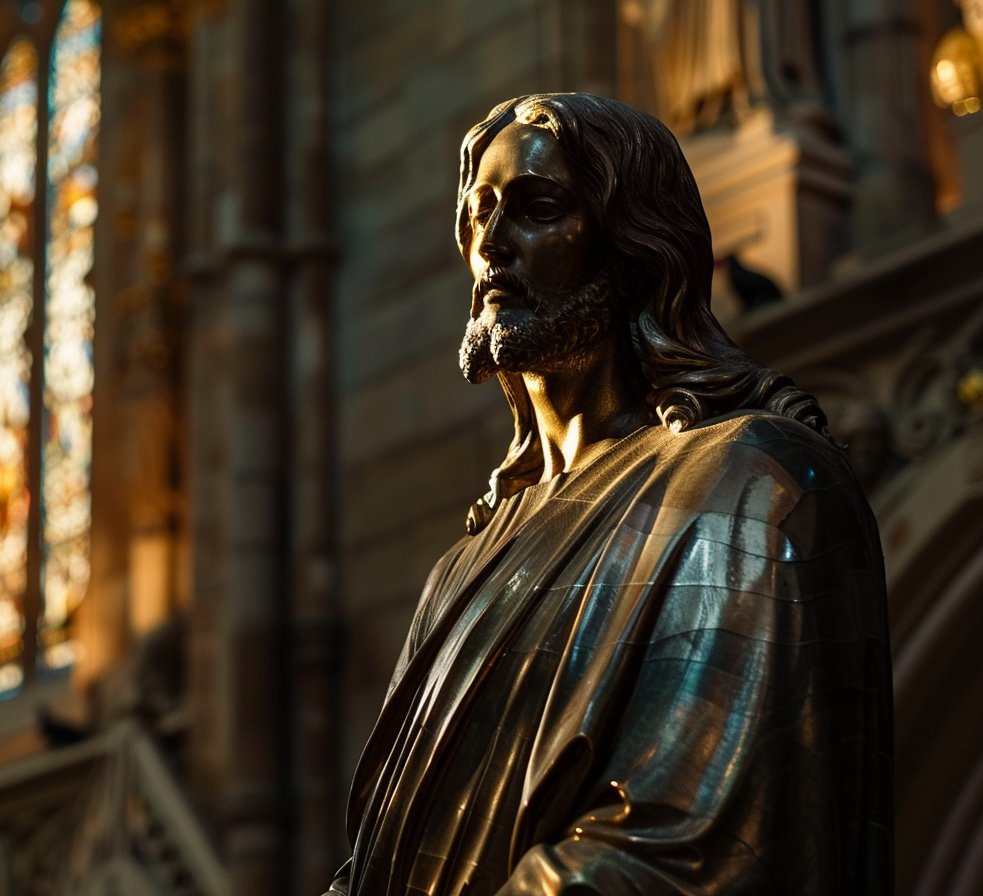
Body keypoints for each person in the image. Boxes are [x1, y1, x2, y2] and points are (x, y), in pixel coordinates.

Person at [327, 94, 892, 896]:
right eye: (478, 214)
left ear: (635, 249)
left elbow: (692, 847)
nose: (490, 245)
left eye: (538, 208)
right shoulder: (461, 568)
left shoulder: (749, 484)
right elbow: (378, 862)